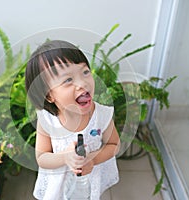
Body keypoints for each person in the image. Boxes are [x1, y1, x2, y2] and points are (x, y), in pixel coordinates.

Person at [25, 40, 120, 200]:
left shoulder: (101, 115)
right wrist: (64, 157)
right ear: (49, 95)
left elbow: (114, 145)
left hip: (88, 181)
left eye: (85, 72)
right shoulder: (48, 120)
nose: (82, 83)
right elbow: (42, 158)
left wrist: (93, 159)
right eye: (68, 80)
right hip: (58, 186)